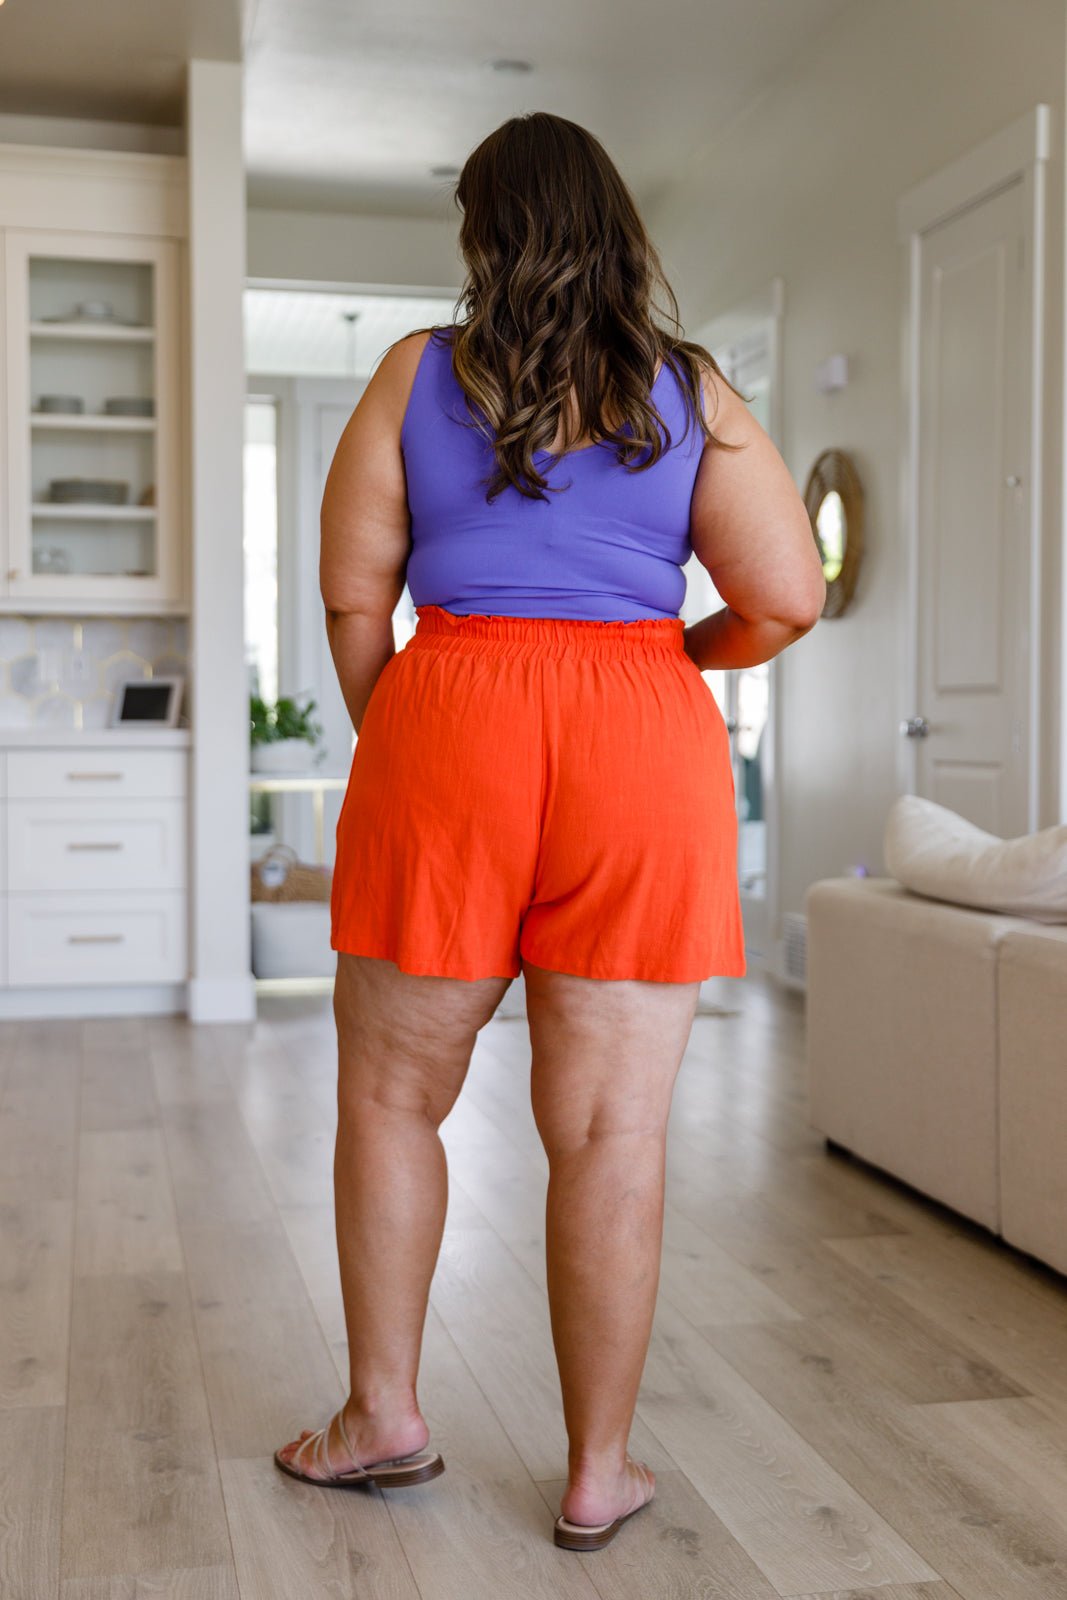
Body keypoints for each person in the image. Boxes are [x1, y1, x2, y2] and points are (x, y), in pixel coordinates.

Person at [274, 110, 825, 1551]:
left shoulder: (417, 370)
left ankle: (382, 1419)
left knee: (392, 1100)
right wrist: (662, 663)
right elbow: (788, 597)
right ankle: (597, 1470)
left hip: (447, 715)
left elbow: (353, 591)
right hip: (644, 741)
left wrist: (410, 729)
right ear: (617, 225)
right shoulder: (689, 388)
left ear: (482, 233)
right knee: (609, 1133)